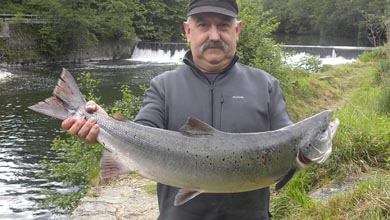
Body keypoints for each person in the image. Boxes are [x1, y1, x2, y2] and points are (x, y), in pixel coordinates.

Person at [62, 0, 297, 219]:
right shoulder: (163, 86)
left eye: (223, 26)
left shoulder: (266, 85)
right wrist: (105, 125)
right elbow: (144, 130)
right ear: (187, 31)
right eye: (203, 25)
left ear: (237, 31)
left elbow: (288, 142)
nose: (214, 35)